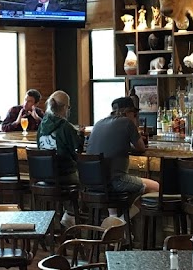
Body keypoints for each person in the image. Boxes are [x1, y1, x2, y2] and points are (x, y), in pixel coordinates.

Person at [85, 96, 159, 216]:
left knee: (113, 194)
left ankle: (113, 221)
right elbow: (141, 148)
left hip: (94, 183)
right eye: (134, 114)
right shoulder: (127, 122)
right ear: (127, 112)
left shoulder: (98, 123)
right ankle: (123, 222)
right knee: (156, 187)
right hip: (116, 182)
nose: (135, 117)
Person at [37, 90, 85, 228]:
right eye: (68, 107)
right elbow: (77, 150)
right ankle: (71, 216)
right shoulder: (65, 126)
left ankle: (57, 221)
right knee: (88, 183)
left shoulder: (42, 125)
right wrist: (81, 136)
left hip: (44, 176)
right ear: (64, 108)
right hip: (63, 174)